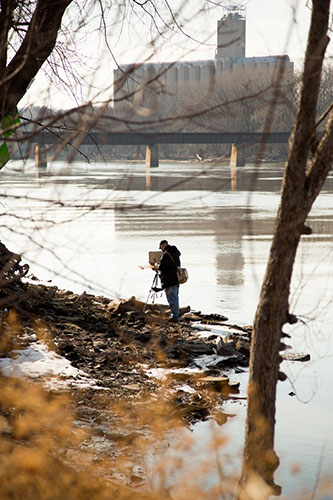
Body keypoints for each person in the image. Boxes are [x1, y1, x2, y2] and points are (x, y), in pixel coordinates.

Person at [157, 239, 181, 322]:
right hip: (176, 279)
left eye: (161, 248)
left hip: (169, 280)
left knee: (172, 299)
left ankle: (175, 317)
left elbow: (162, 268)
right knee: (175, 298)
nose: (161, 250)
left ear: (162, 245)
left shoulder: (166, 255)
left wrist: (157, 266)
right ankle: (176, 315)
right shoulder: (175, 252)